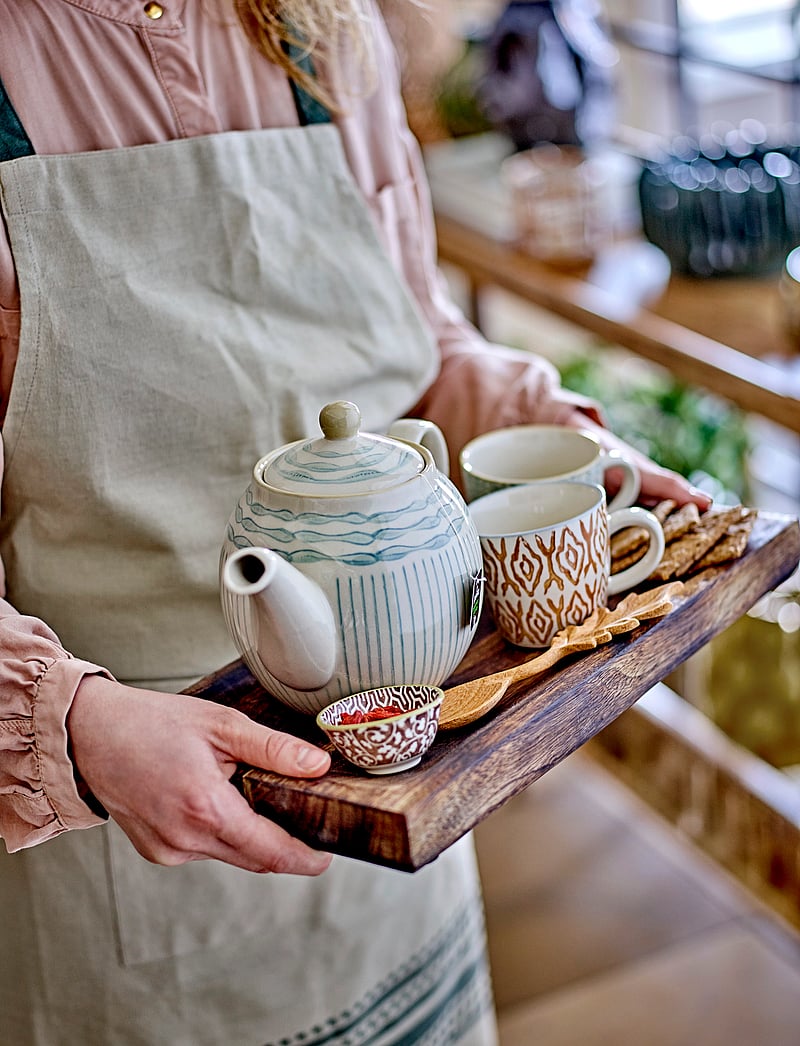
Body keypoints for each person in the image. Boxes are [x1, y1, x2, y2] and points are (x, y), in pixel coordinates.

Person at [0, 1, 711, 1043]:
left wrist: (553, 439)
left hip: (404, 785)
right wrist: (70, 722)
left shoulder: (320, 28)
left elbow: (415, 345)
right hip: (126, 831)